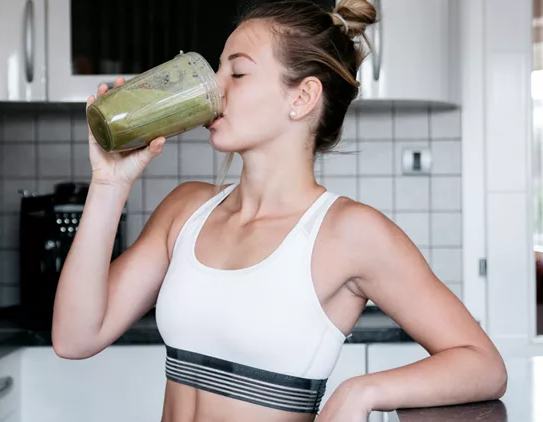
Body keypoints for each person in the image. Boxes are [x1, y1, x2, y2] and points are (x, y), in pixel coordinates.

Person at [51, 0, 508, 420]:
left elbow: (482, 363)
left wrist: (361, 391)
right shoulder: (186, 210)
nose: (215, 88)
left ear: (302, 98)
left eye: (238, 73)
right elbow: (75, 338)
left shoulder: (349, 233)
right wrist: (110, 183)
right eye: (216, 70)